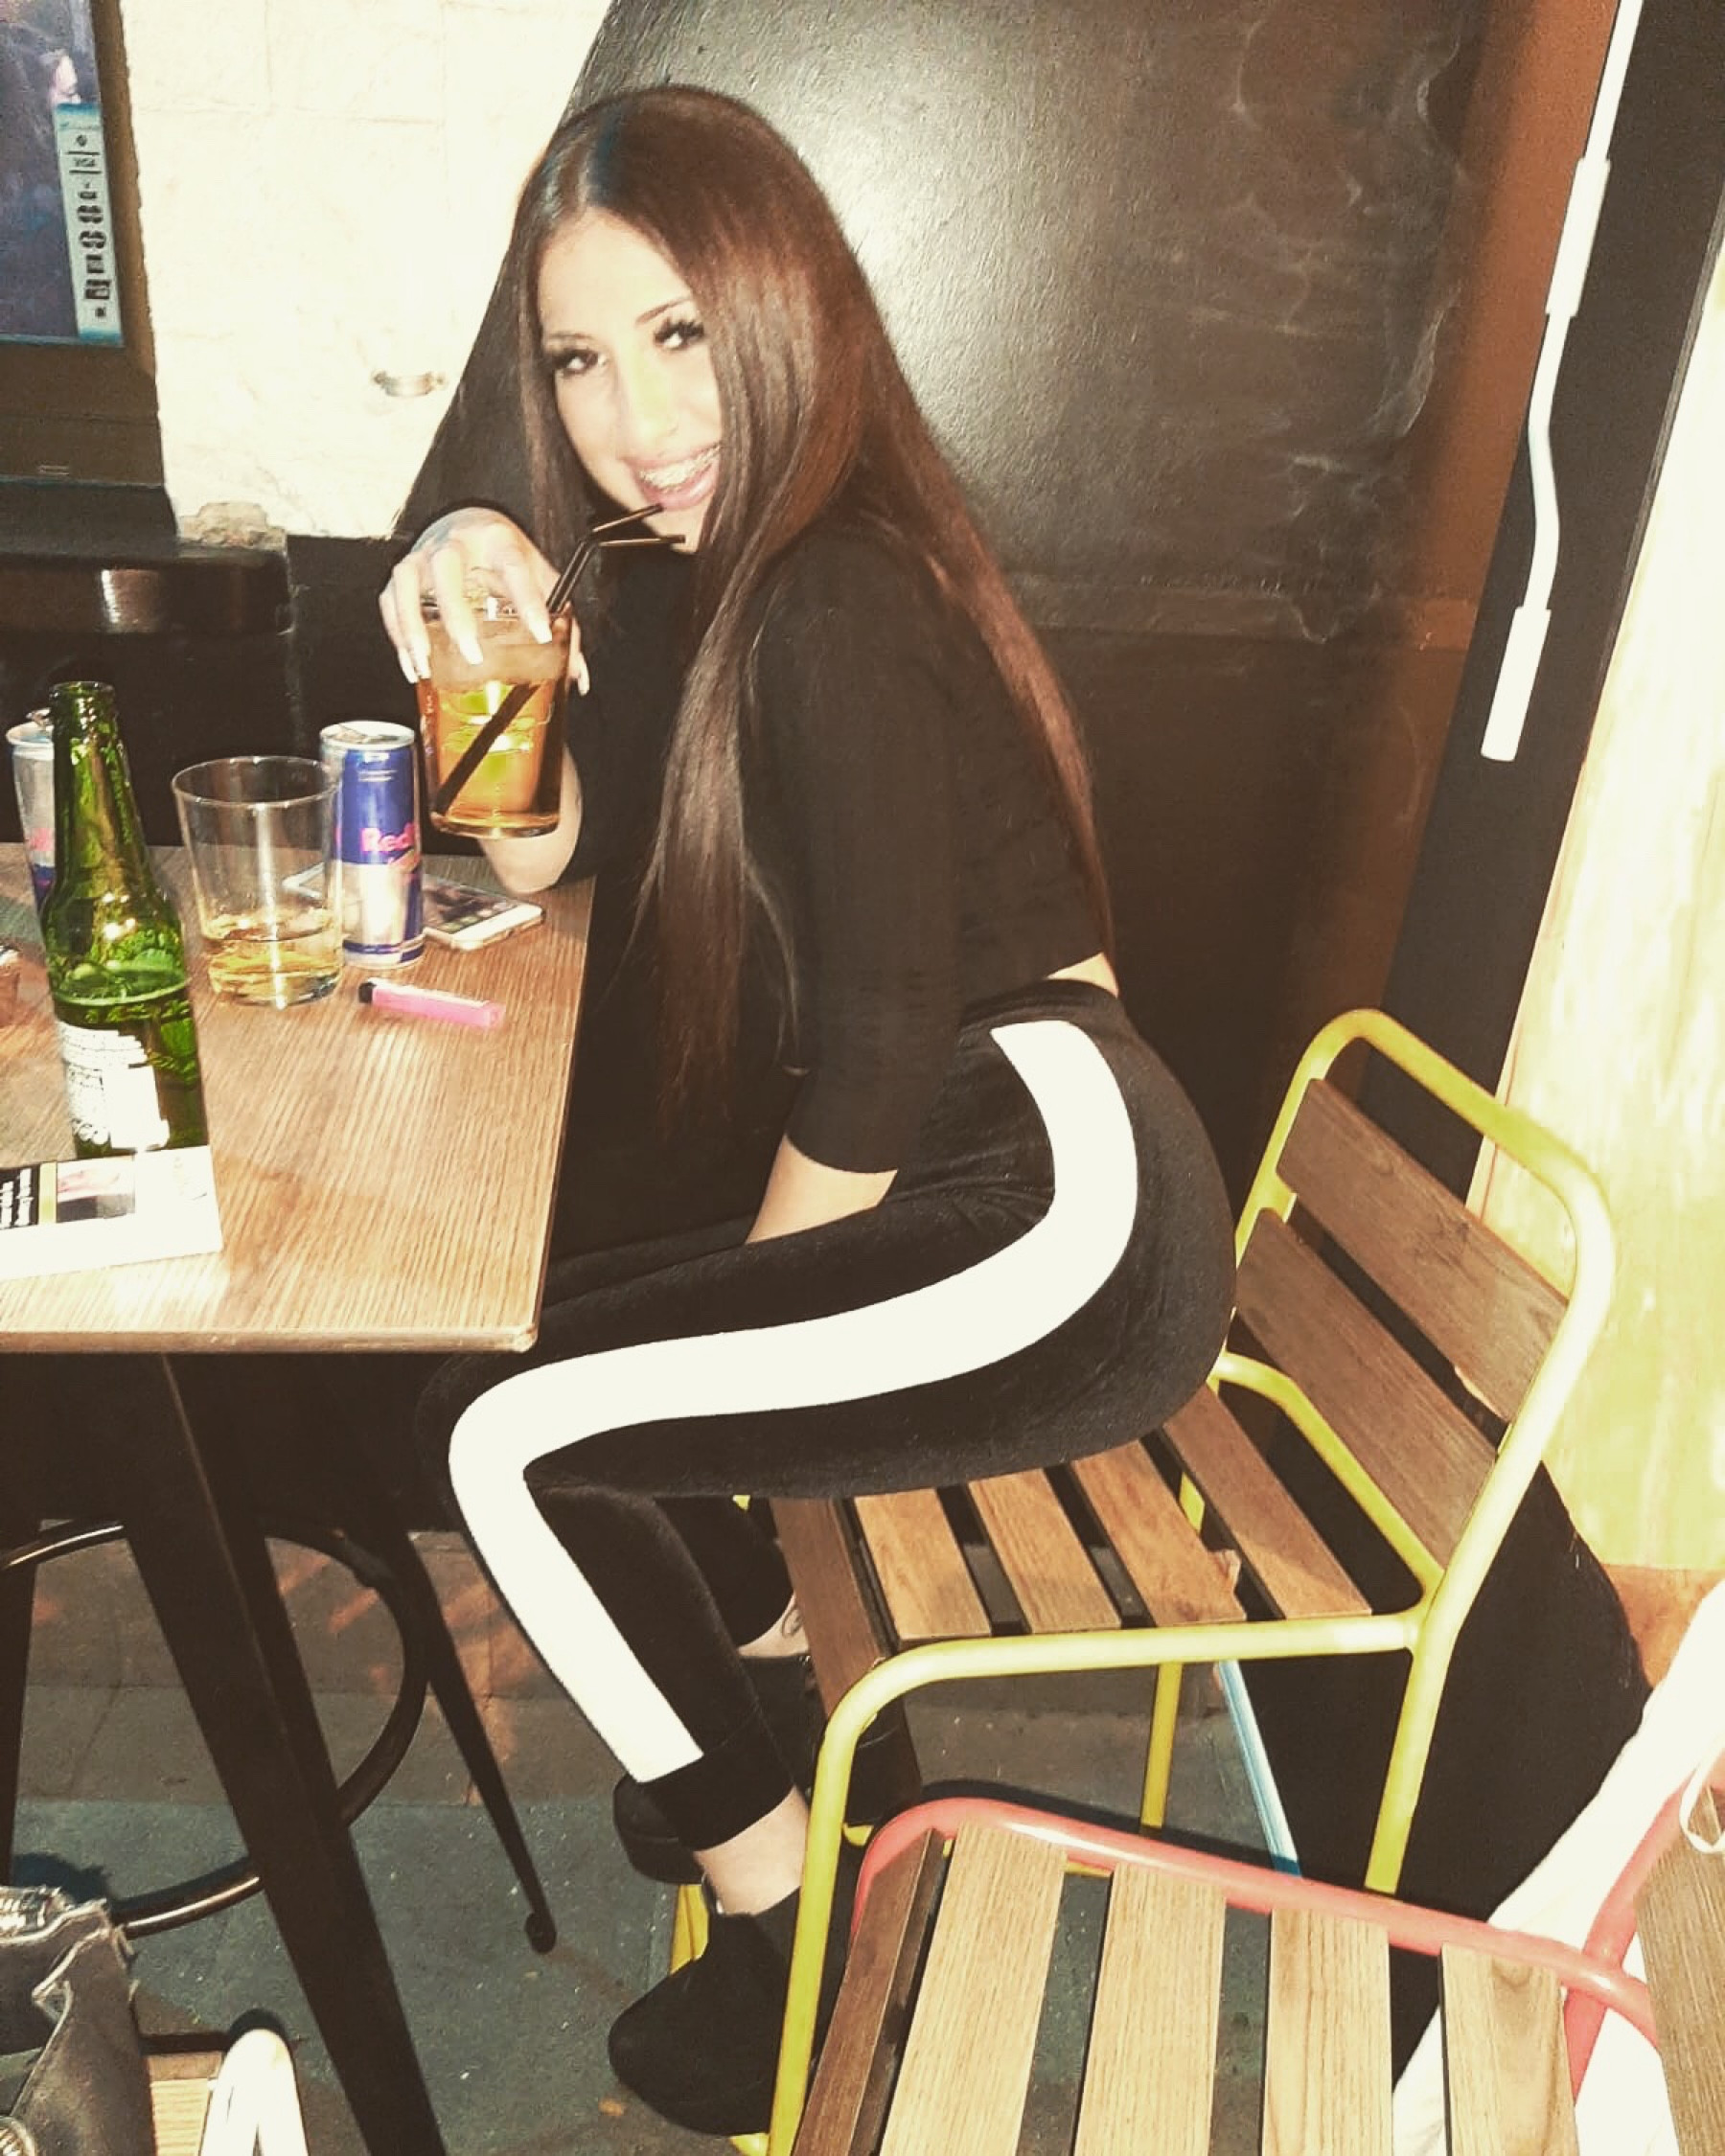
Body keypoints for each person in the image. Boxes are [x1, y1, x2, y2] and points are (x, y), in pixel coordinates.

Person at [380, 83, 1234, 2138]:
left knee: (510, 1435)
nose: (633, 418)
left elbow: (874, 1039)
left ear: (788, 304)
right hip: (988, 1155)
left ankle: (799, 1944)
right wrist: (476, 594)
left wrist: (748, 1378)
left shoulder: (833, 588)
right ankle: (809, 1752)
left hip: (1054, 1194)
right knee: (566, 1365)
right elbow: (536, 856)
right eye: (579, 362)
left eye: (679, 334)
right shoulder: (719, 566)